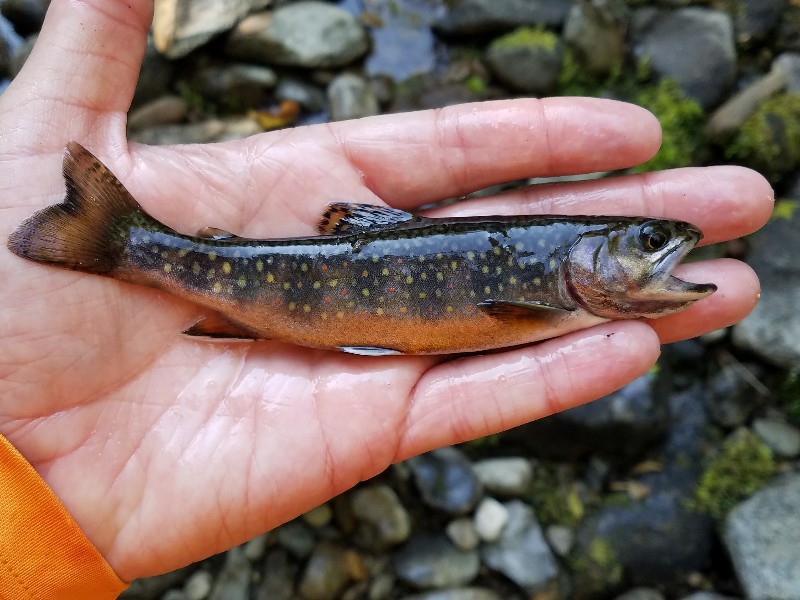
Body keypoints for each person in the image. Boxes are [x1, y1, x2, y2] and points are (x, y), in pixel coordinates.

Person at [0, 0, 773, 597]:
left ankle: (125, 240)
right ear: (585, 260)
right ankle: (122, 240)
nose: (659, 255)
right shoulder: (551, 294)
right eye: (643, 245)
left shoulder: (558, 288)